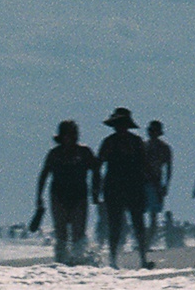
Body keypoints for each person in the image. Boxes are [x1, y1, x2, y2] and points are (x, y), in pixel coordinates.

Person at [35, 120, 98, 263]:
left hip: (79, 195)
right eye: (69, 134)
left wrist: (95, 191)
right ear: (62, 136)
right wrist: (39, 197)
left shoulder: (84, 152)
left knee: (78, 233)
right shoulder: (54, 154)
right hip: (58, 195)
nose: (73, 137)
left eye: (75, 133)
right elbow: (44, 175)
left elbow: (96, 170)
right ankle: (61, 262)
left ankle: (79, 261)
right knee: (61, 233)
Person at [96, 108, 150, 269]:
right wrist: (95, 188)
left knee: (138, 224)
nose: (120, 127)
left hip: (134, 186)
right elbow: (98, 166)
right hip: (114, 187)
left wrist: (153, 185)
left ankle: (143, 259)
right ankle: (113, 260)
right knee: (115, 225)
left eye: (122, 124)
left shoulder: (136, 142)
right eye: (117, 124)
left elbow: (144, 165)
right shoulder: (109, 142)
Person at [143, 120, 173, 237]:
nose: (151, 133)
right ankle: (143, 240)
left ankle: (148, 242)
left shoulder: (164, 148)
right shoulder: (143, 146)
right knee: (140, 212)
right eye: (150, 130)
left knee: (153, 215)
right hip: (143, 182)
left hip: (156, 183)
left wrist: (166, 185)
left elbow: (168, 168)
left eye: (153, 130)